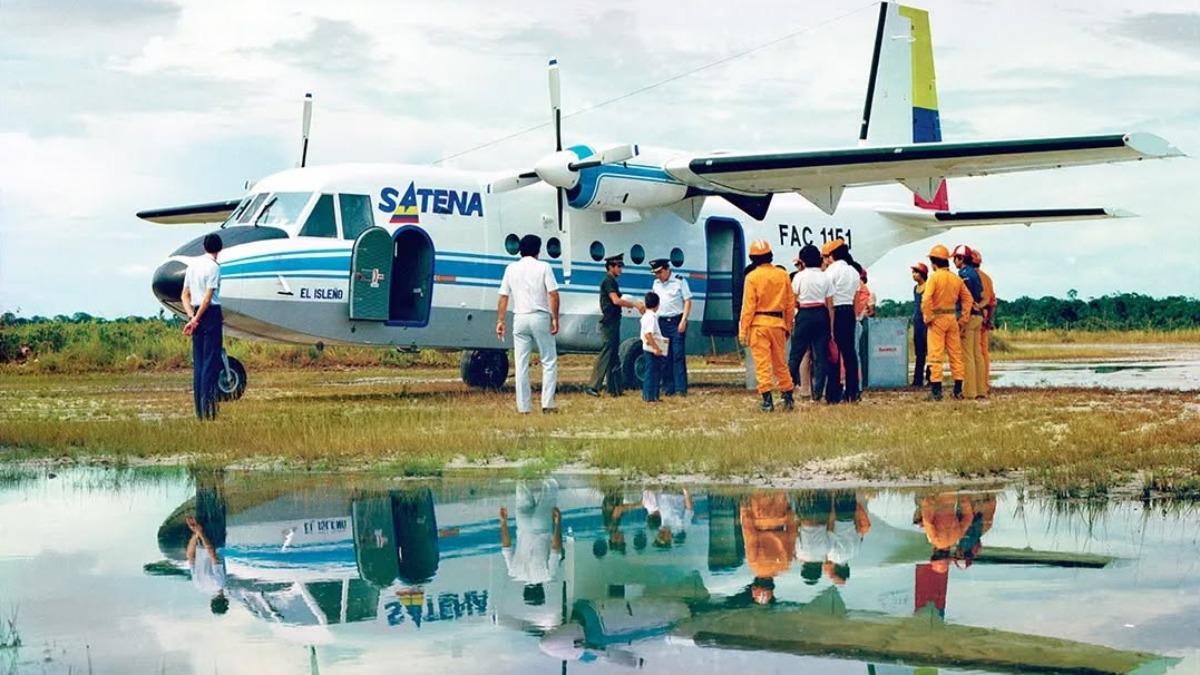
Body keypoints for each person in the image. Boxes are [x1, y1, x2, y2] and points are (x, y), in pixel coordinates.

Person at [496, 234, 560, 414]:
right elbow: (553, 294)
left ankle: (523, 407)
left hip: (520, 317)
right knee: (548, 360)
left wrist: (500, 320)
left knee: (521, 364)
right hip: (539, 315)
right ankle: (547, 404)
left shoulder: (511, 268)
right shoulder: (544, 267)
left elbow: (503, 296)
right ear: (538, 250)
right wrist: (554, 317)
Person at [738, 240, 796, 412]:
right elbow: (790, 304)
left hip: (759, 325)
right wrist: (787, 325)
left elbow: (748, 307)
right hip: (778, 324)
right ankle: (788, 396)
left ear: (752, 258)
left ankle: (767, 401)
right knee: (780, 363)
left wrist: (743, 331)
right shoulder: (782, 274)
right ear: (770, 256)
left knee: (762, 364)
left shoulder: (752, 277)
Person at [499, 478, 563, 614]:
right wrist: (503, 522)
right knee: (521, 483)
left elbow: (556, 549)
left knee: (550, 486)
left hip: (542, 526)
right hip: (523, 524)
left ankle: (545, 466)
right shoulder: (513, 572)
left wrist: (558, 524)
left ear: (542, 591)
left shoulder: (548, 576)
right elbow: (506, 546)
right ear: (524, 590)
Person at [181, 233, 224, 420]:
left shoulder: (192, 266)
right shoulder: (214, 268)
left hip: (195, 314)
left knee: (199, 365)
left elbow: (184, 295)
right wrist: (198, 318)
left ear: (204, 247)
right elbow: (208, 297)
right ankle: (209, 410)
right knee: (210, 364)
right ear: (219, 249)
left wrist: (191, 317)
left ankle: (199, 411)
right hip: (210, 314)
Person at [587, 254, 643, 398]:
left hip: (614, 321)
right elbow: (616, 300)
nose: (620, 269)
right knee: (607, 352)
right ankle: (593, 385)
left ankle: (615, 388)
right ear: (610, 267)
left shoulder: (611, 281)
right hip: (610, 322)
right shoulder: (609, 281)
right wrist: (634, 304)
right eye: (618, 266)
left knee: (614, 355)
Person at [921, 244, 973, 400]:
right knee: (955, 355)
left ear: (933, 261)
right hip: (952, 319)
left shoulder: (934, 278)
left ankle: (936, 391)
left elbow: (926, 299)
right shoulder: (956, 279)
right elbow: (968, 299)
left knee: (935, 355)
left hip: (937, 318)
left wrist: (928, 317)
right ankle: (957, 390)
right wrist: (963, 319)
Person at [788, 244, 832, 402]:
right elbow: (829, 302)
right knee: (821, 355)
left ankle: (788, 389)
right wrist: (831, 325)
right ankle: (818, 392)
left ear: (803, 260)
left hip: (804, 314)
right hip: (821, 314)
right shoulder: (825, 276)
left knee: (796, 354)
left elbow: (792, 300)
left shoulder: (799, 276)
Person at [821, 239, 862, 403]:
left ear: (831, 256)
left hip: (835, 312)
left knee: (833, 353)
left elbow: (827, 297)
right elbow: (856, 298)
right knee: (850, 353)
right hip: (849, 313)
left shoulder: (830, 272)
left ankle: (833, 393)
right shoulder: (853, 271)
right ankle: (853, 392)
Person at [739, 492, 796, 604]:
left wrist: (789, 513)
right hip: (759, 515)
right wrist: (744, 509)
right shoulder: (754, 565)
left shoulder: (785, 565)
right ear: (754, 584)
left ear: (772, 585)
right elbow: (750, 535)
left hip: (779, 514)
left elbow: (792, 534)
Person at [649, 258, 692, 396]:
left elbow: (687, 301)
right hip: (662, 322)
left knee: (678, 355)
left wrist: (684, 320)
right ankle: (668, 387)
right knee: (664, 356)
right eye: (656, 273)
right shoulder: (656, 284)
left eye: (660, 272)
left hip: (676, 321)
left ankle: (681, 388)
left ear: (667, 269)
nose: (658, 276)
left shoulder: (679, 281)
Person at [953, 244, 986, 400]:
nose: (954, 262)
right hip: (978, 315)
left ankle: (969, 392)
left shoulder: (963, 274)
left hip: (969, 316)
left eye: (955, 258)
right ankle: (981, 390)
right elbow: (981, 294)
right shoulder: (976, 274)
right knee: (977, 354)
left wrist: (961, 317)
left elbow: (964, 297)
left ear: (961, 259)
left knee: (967, 355)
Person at [185, 514, 229, 615]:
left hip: (214, 539)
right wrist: (196, 534)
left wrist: (201, 533)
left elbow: (212, 553)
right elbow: (190, 556)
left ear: (225, 600)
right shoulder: (198, 585)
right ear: (211, 602)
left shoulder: (219, 583)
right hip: (200, 541)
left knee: (217, 507)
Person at [973, 249, 997, 397]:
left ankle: (973, 384)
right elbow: (993, 302)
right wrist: (989, 319)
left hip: (973, 316)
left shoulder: (969, 276)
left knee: (970, 352)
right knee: (983, 353)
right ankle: (984, 383)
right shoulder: (987, 278)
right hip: (985, 316)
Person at [852, 263, 876, 388]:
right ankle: (863, 381)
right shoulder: (870, 293)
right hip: (863, 322)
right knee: (863, 354)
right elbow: (872, 312)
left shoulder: (854, 288)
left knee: (855, 353)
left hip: (854, 321)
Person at [640, 291, 667, 403]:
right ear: (657, 305)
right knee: (652, 372)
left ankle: (653, 395)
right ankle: (649, 396)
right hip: (651, 349)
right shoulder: (651, 317)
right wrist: (656, 348)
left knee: (653, 372)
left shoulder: (646, 316)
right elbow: (648, 334)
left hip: (648, 348)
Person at [910, 263, 930, 387]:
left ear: (922, 274)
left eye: (916, 272)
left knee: (931, 350)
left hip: (926, 322)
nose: (913, 275)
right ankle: (917, 379)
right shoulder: (915, 288)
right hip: (917, 321)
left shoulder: (928, 287)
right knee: (919, 351)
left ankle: (931, 377)